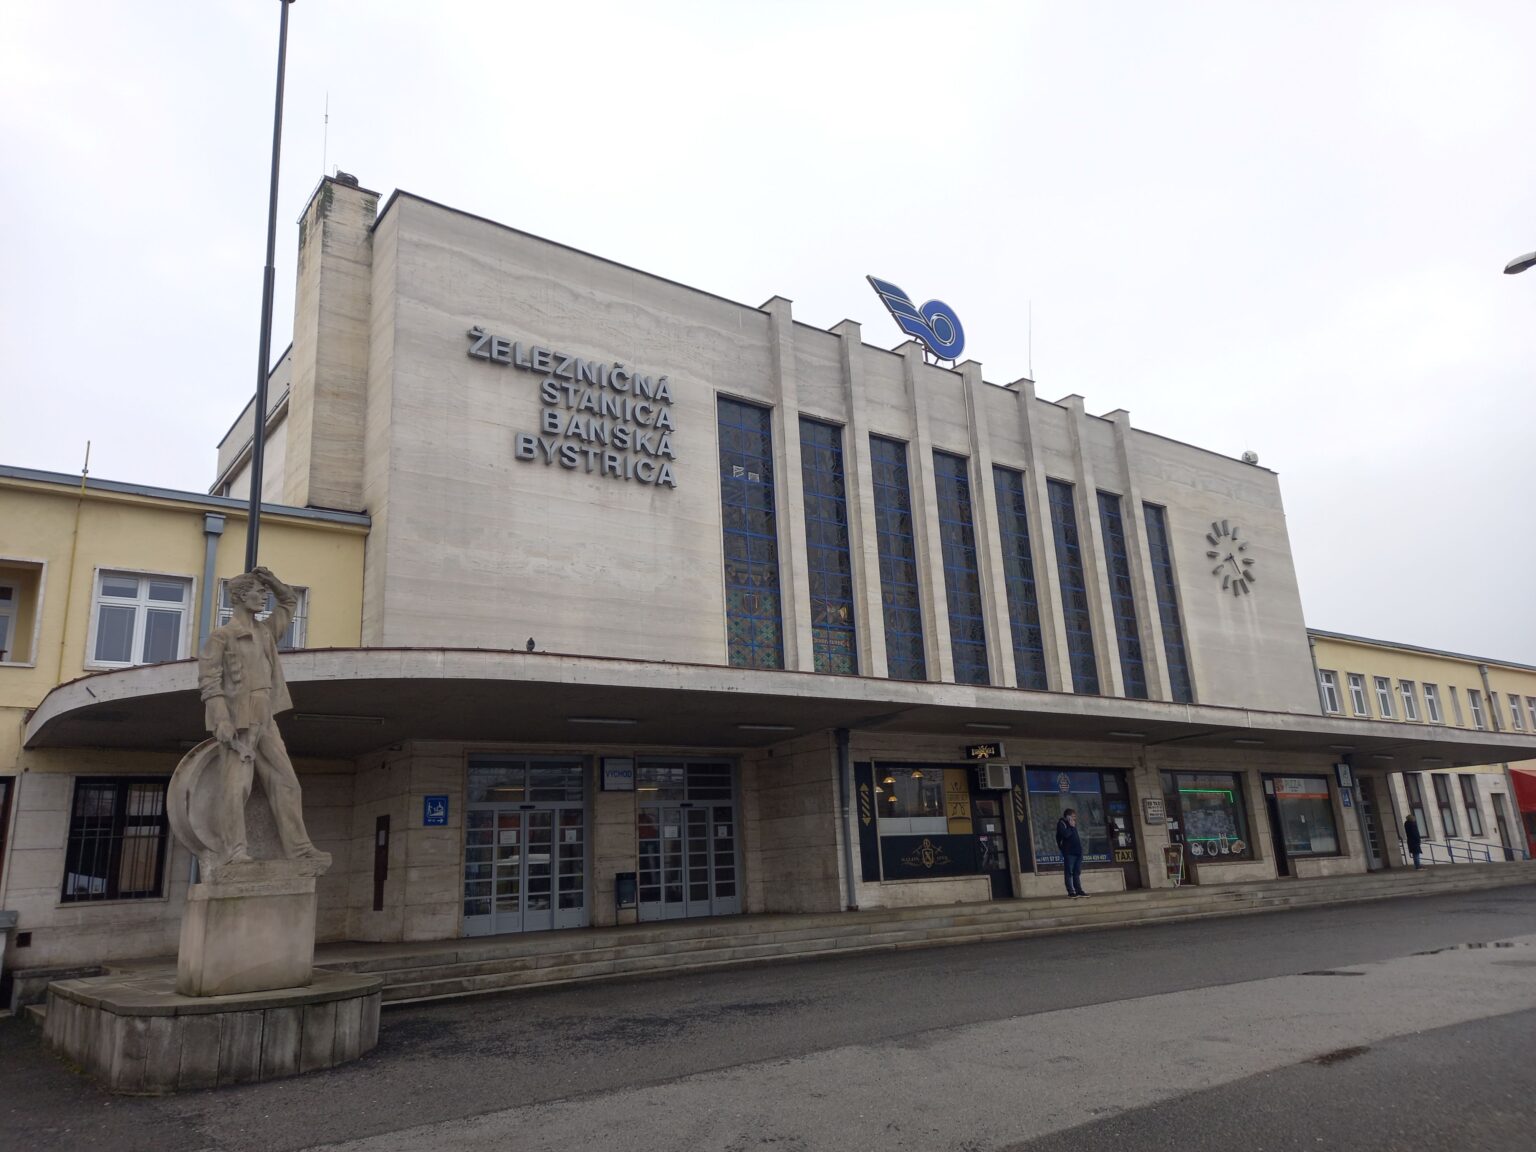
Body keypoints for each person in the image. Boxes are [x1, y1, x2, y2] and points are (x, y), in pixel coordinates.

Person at [199, 566, 327, 867]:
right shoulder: (222, 636)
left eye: (265, 593)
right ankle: (234, 851)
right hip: (238, 715)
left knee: (287, 781)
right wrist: (222, 719)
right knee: (236, 787)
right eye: (258, 592)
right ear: (242, 597)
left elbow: (289, 603)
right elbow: (209, 681)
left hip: (266, 714)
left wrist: (271, 580)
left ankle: (298, 848)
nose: (264, 598)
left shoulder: (265, 632)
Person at [1055, 808, 1087, 898]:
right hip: (1069, 852)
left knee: (1077, 872)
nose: (1075, 818)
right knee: (1069, 872)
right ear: (1068, 816)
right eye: (1073, 816)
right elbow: (1066, 835)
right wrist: (1071, 827)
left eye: (1075, 817)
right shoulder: (1062, 824)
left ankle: (1079, 890)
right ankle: (1071, 892)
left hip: (1078, 852)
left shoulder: (1073, 824)